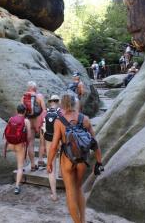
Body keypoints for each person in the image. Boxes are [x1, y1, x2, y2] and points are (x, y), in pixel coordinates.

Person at [47, 93, 103, 223]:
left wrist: (49, 163)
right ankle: (82, 220)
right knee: (78, 189)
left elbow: (54, 146)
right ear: (74, 104)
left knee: (70, 193)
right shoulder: (85, 119)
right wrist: (99, 161)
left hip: (67, 159)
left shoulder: (59, 121)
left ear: (62, 105)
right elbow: (95, 143)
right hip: (82, 159)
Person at [3, 104, 31, 195]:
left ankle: (18, 177)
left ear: (17, 110)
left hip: (10, 144)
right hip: (20, 145)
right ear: (25, 111)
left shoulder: (11, 119)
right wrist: (27, 143)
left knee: (18, 161)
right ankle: (17, 186)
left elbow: (7, 131)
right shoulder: (26, 121)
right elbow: (29, 136)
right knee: (20, 166)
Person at [21, 81, 46, 171]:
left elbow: (22, 111)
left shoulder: (24, 97)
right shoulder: (39, 96)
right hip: (38, 120)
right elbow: (44, 110)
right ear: (35, 88)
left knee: (30, 143)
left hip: (28, 120)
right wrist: (42, 120)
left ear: (28, 88)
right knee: (42, 141)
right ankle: (40, 160)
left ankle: (32, 164)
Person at [42, 94, 61, 201]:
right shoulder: (61, 112)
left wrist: (44, 145)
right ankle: (62, 174)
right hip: (60, 140)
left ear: (50, 102)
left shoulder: (46, 113)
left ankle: (54, 194)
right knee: (63, 162)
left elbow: (43, 130)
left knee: (51, 167)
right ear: (58, 101)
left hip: (49, 140)